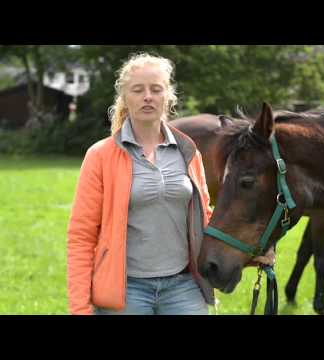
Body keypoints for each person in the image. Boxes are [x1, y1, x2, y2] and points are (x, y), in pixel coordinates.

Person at [67, 53, 274, 315]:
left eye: (156, 89)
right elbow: (81, 237)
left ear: (168, 96)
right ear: (125, 98)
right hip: (125, 290)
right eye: (137, 90)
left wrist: (252, 253)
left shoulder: (188, 151)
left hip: (183, 286)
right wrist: (80, 308)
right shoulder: (101, 156)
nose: (147, 97)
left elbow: (204, 218)